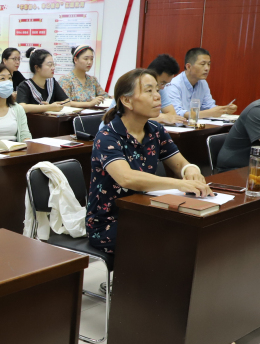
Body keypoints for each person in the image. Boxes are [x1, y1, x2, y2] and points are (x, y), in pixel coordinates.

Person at [86, 68, 212, 257]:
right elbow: (126, 178)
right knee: (174, 239)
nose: (157, 96)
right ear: (127, 101)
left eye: (157, 89)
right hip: (110, 221)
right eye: (149, 91)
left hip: (146, 211)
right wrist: (180, 184)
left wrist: (191, 170)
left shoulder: (155, 130)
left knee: (193, 230)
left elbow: (179, 164)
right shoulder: (107, 136)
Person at [160, 48, 237, 119]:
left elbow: (208, 106)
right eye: (202, 64)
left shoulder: (203, 83)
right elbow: (176, 114)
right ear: (188, 67)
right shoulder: (173, 85)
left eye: (208, 64)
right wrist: (209, 113)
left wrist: (225, 110)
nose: (207, 68)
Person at [15, 49, 72, 114]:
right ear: (37, 68)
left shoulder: (52, 82)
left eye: (53, 65)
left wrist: (54, 106)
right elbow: (22, 107)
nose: (53, 68)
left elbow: (67, 102)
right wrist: (49, 107)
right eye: (49, 65)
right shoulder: (25, 85)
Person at [146, 54, 187, 125]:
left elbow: (172, 115)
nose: (163, 87)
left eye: (166, 84)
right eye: (162, 83)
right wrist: (161, 118)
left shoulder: (160, 89)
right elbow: (135, 116)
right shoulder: (136, 87)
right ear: (151, 74)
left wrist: (162, 118)